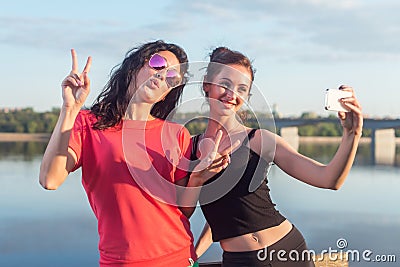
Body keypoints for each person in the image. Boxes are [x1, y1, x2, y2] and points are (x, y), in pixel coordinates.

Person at [190, 47, 363, 267]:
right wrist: (192, 256)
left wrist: (352, 134)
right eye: (225, 84)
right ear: (207, 84)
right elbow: (218, 211)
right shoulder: (189, 148)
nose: (232, 94)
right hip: (240, 261)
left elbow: (329, 179)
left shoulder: (260, 140)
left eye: (241, 88)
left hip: (288, 250)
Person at [39, 40, 199, 267]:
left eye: (173, 78)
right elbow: (49, 180)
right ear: (135, 67)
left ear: (167, 93)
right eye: (158, 64)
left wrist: (201, 177)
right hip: (123, 262)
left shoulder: (177, 134)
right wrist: (69, 110)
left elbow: (183, 209)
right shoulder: (88, 124)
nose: (163, 76)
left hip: (180, 257)